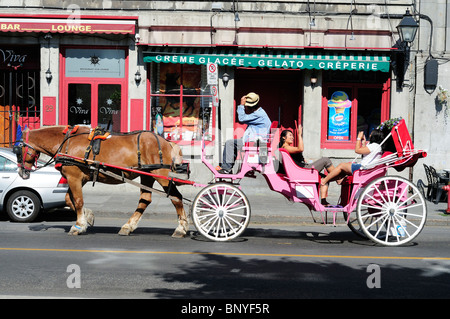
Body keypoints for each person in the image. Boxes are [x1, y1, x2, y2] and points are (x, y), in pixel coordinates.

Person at [320, 129, 385, 202]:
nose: (369, 135)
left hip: (363, 168)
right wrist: (363, 142)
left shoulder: (374, 146)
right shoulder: (377, 147)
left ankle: (324, 181)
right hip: (366, 168)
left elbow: (357, 150)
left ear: (374, 136)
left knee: (341, 165)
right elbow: (366, 155)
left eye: (371, 134)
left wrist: (358, 138)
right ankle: (333, 180)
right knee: (343, 170)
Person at [278, 126, 335, 205]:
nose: (292, 137)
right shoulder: (285, 147)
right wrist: (299, 135)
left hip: (302, 168)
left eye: (292, 135)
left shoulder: (286, 148)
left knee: (325, 178)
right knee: (326, 160)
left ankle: (323, 201)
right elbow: (300, 149)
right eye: (290, 135)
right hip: (303, 170)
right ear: (284, 138)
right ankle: (338, 178)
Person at [217, 92, 271, 174]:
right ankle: (228, 167)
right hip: (254, 142)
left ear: (249, 107)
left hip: (254, 143)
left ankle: (227, 168)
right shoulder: (259, 113)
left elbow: (242, 119)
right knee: (233, 144)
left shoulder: (259, 114)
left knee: (230, 143)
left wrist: (241, 105)